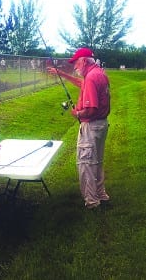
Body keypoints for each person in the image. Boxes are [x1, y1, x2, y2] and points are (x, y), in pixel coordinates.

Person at [48, 48, 110, 209]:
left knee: (86, 164)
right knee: (97, 162)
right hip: (101, 125)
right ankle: (101, 194)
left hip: (91, 126)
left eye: (76, 62)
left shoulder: (90, 77)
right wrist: (61, 74)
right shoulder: (99, 73)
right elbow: (82, 83)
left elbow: (91, 110)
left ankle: (92, 202)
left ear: (83, 61)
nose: (75, 66)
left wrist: (77, 113)